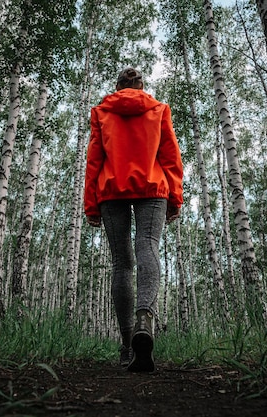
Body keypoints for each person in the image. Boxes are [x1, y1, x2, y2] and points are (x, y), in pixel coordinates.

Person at [84, 67, 183, 372]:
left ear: (117, 88)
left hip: (110, 189)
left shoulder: (102, 112)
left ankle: (128, 346)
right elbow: (170, 156)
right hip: (152, 187)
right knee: (147, 247)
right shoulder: (158, 110)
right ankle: (145, 320)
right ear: (142, 86)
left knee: (122, 263)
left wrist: (91, 204)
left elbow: (94, 158)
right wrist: (175, 198)